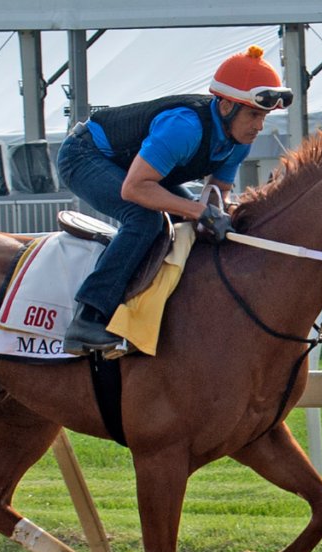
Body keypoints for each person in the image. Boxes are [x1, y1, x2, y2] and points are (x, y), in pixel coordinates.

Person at [55, 45, 293, 355]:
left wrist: (220, 215)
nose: (259, 126)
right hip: (83, 155)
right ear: (225, 108)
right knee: (146, 219)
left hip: (134, 170)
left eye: (263, 116)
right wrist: (199, 211)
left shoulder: (239, 141)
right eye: (253, 115)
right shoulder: (185, 127)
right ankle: (88, 318)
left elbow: (216, 195)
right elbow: (134, 190)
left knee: (191, 221)